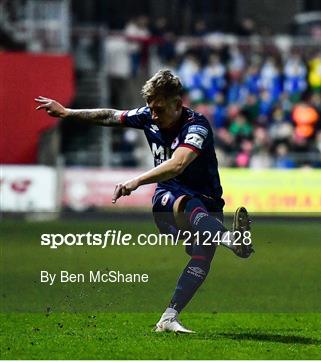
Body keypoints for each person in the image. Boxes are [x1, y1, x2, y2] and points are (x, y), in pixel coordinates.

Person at [35, 69, 254, 333]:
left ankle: (169, 318)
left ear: (177, 104)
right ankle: (231, 240)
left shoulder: (196, 127)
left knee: (201, 259)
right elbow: (110, 115)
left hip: (209, 204)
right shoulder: (148, 117)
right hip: (168, 199)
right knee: (186, 202)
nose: (153, 114)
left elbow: (178, 163)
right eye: (150, 108)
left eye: (159, 109)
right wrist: (68, 112)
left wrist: (136, 180)